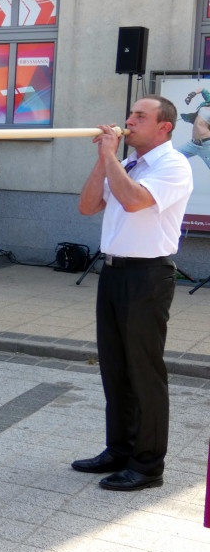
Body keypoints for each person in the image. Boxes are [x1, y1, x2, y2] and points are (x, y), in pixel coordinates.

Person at [73, 96, 193, 491]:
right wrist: (103, 159)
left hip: (147, 275)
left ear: (164, 127)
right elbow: (88, 206)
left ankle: (147, 465)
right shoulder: (127, 163)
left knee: (144, 371)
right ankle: (119, 449)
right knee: (114, 367)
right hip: (113, 272)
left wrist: (110, 157)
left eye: (140, 116)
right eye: (130, 114)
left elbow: (134, 200)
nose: (128, 121)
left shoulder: (174, 165)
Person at [178, 87, 210, 171]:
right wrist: (191, 95)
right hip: (193, 144)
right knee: (172, 155)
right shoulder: (208, 101)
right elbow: (203, 90)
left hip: (207, 145)